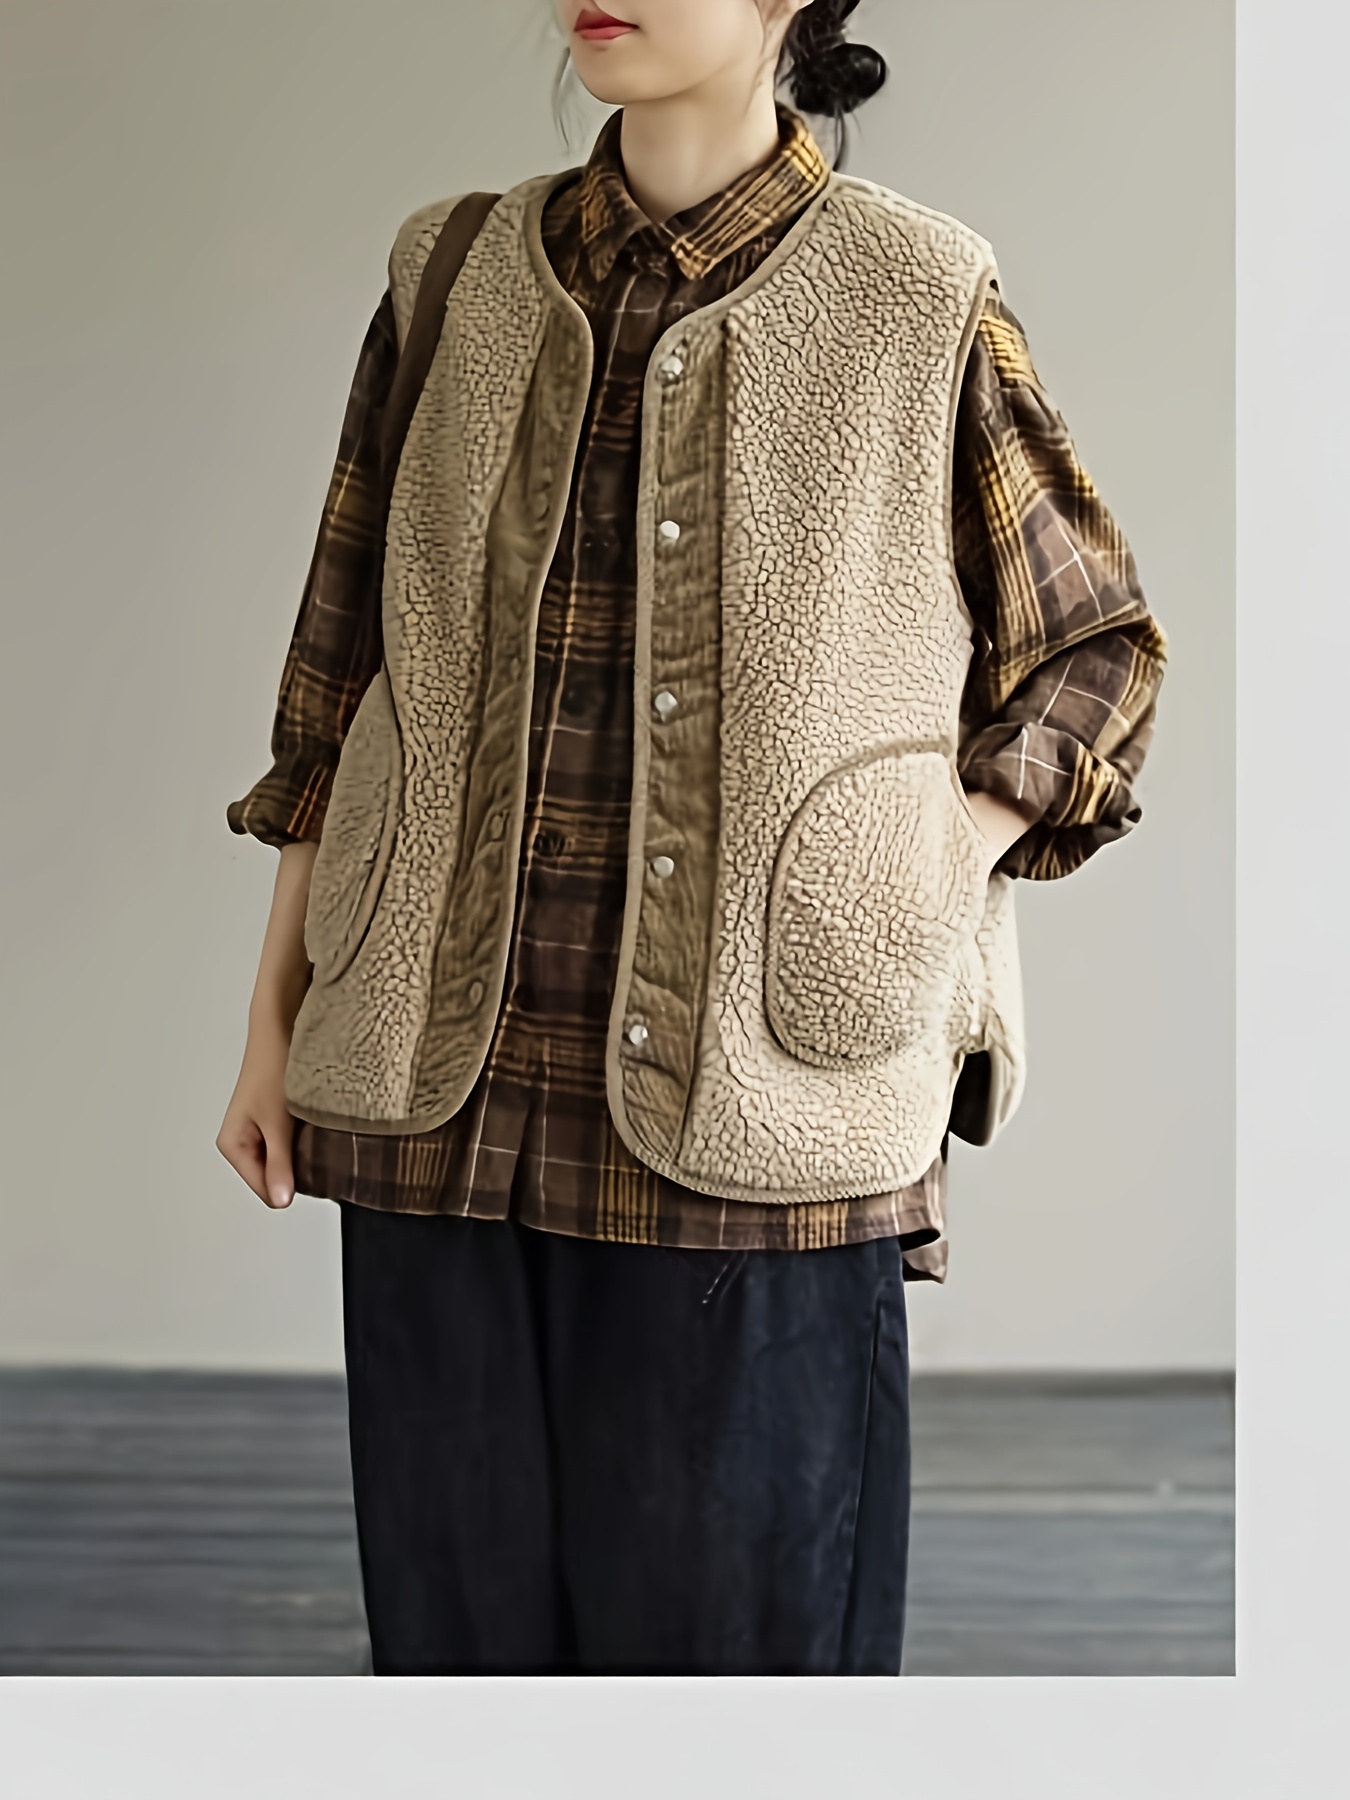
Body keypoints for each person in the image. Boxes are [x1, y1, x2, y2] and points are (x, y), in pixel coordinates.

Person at [216, 0, 1167, 1676]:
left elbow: (1096, 654)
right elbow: (336, 673)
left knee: (742, 1688)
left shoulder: (915, 291)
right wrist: (270, 1026)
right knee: (457, 1680)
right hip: (434, 1101)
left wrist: (920, 856)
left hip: (764, 1113)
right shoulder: (447, 271)